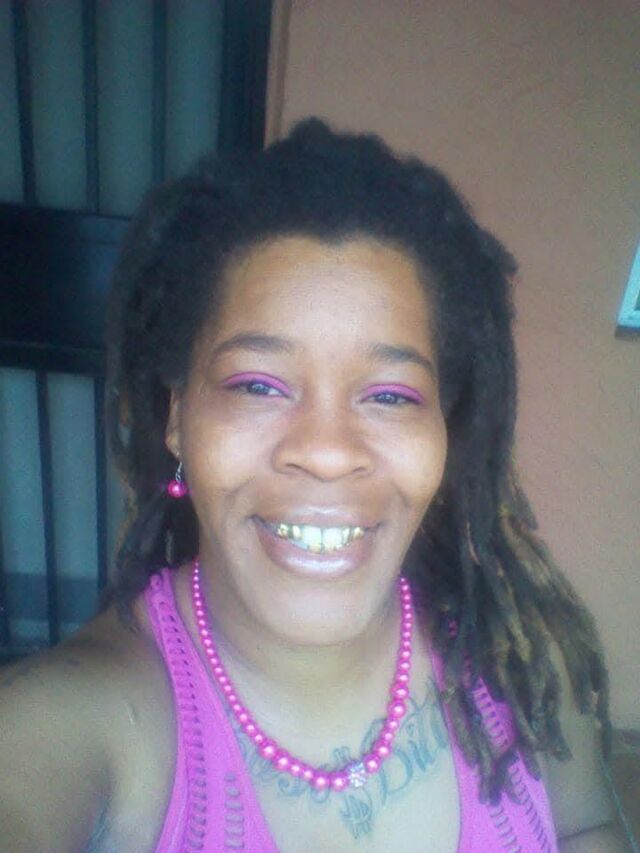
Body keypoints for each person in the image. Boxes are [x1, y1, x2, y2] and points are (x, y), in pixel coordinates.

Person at [0, 120, 629, 852]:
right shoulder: (85, 722)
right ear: (176, 418)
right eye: (258, 385)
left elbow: (587, 824)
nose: (327, 453)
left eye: (390, 395)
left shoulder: (518, 657)